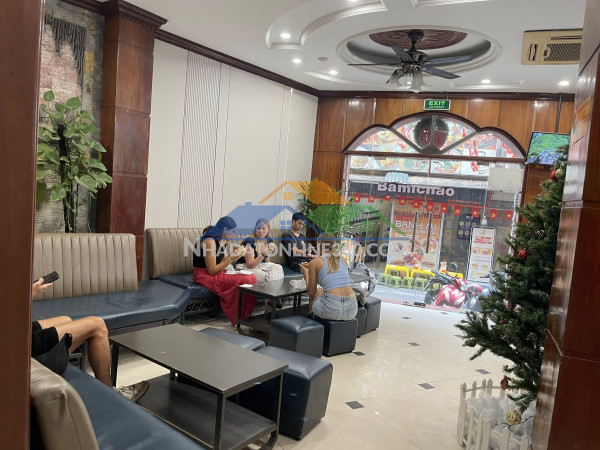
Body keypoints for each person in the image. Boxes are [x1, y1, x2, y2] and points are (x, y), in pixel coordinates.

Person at [31, 278, 148, 402]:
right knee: (98, 325)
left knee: (65, 319)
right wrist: (30, 294)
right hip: (29, 351)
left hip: (24, 335)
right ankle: (110, 395)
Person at [192, 216, 257, 324]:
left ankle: (246, 314)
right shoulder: (209, 241)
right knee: (244, 280)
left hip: (218, 272)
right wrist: (232, 257)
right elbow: (212, 270)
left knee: (251, 277)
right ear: (225, 229)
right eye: (233, 231)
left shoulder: (222, 241)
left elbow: (222, 262)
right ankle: (240, 318)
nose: (234, 235)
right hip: (204, 275)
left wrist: (233, 254)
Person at [299, 233, 358, 321]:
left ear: (319, 244)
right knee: (323, 291)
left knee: (318, 291)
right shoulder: (343, 259)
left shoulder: (315, 262)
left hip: (331, 310)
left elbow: (311, 292)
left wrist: (306, 274)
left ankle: (311, 319)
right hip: (352, 309)